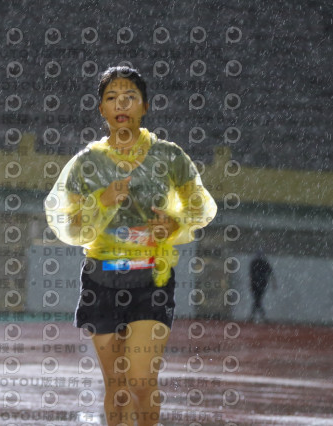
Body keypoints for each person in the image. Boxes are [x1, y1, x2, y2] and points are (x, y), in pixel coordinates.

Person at [45, 65, 217, 426]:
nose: (121, 105)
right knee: (117, 385)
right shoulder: (86, 164)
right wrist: (102, 201)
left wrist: (175, 223)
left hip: (151, 279)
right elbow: (67, 226)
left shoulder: (170, 157)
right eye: (112, 98)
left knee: (140, 380)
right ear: (101, 109)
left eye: (129, 97)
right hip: (100, 280)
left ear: (145, 106)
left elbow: (201, 208)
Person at [248, 250, 276, 322]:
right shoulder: (264, 263)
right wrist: (273, 283)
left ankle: (255, 316)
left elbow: (251, 275)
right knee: (257, 300)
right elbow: (271, 273)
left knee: (257, 300)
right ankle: (260, 316)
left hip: (256, 283)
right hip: (261, 283)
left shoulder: (255, 263)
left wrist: (250, 283)